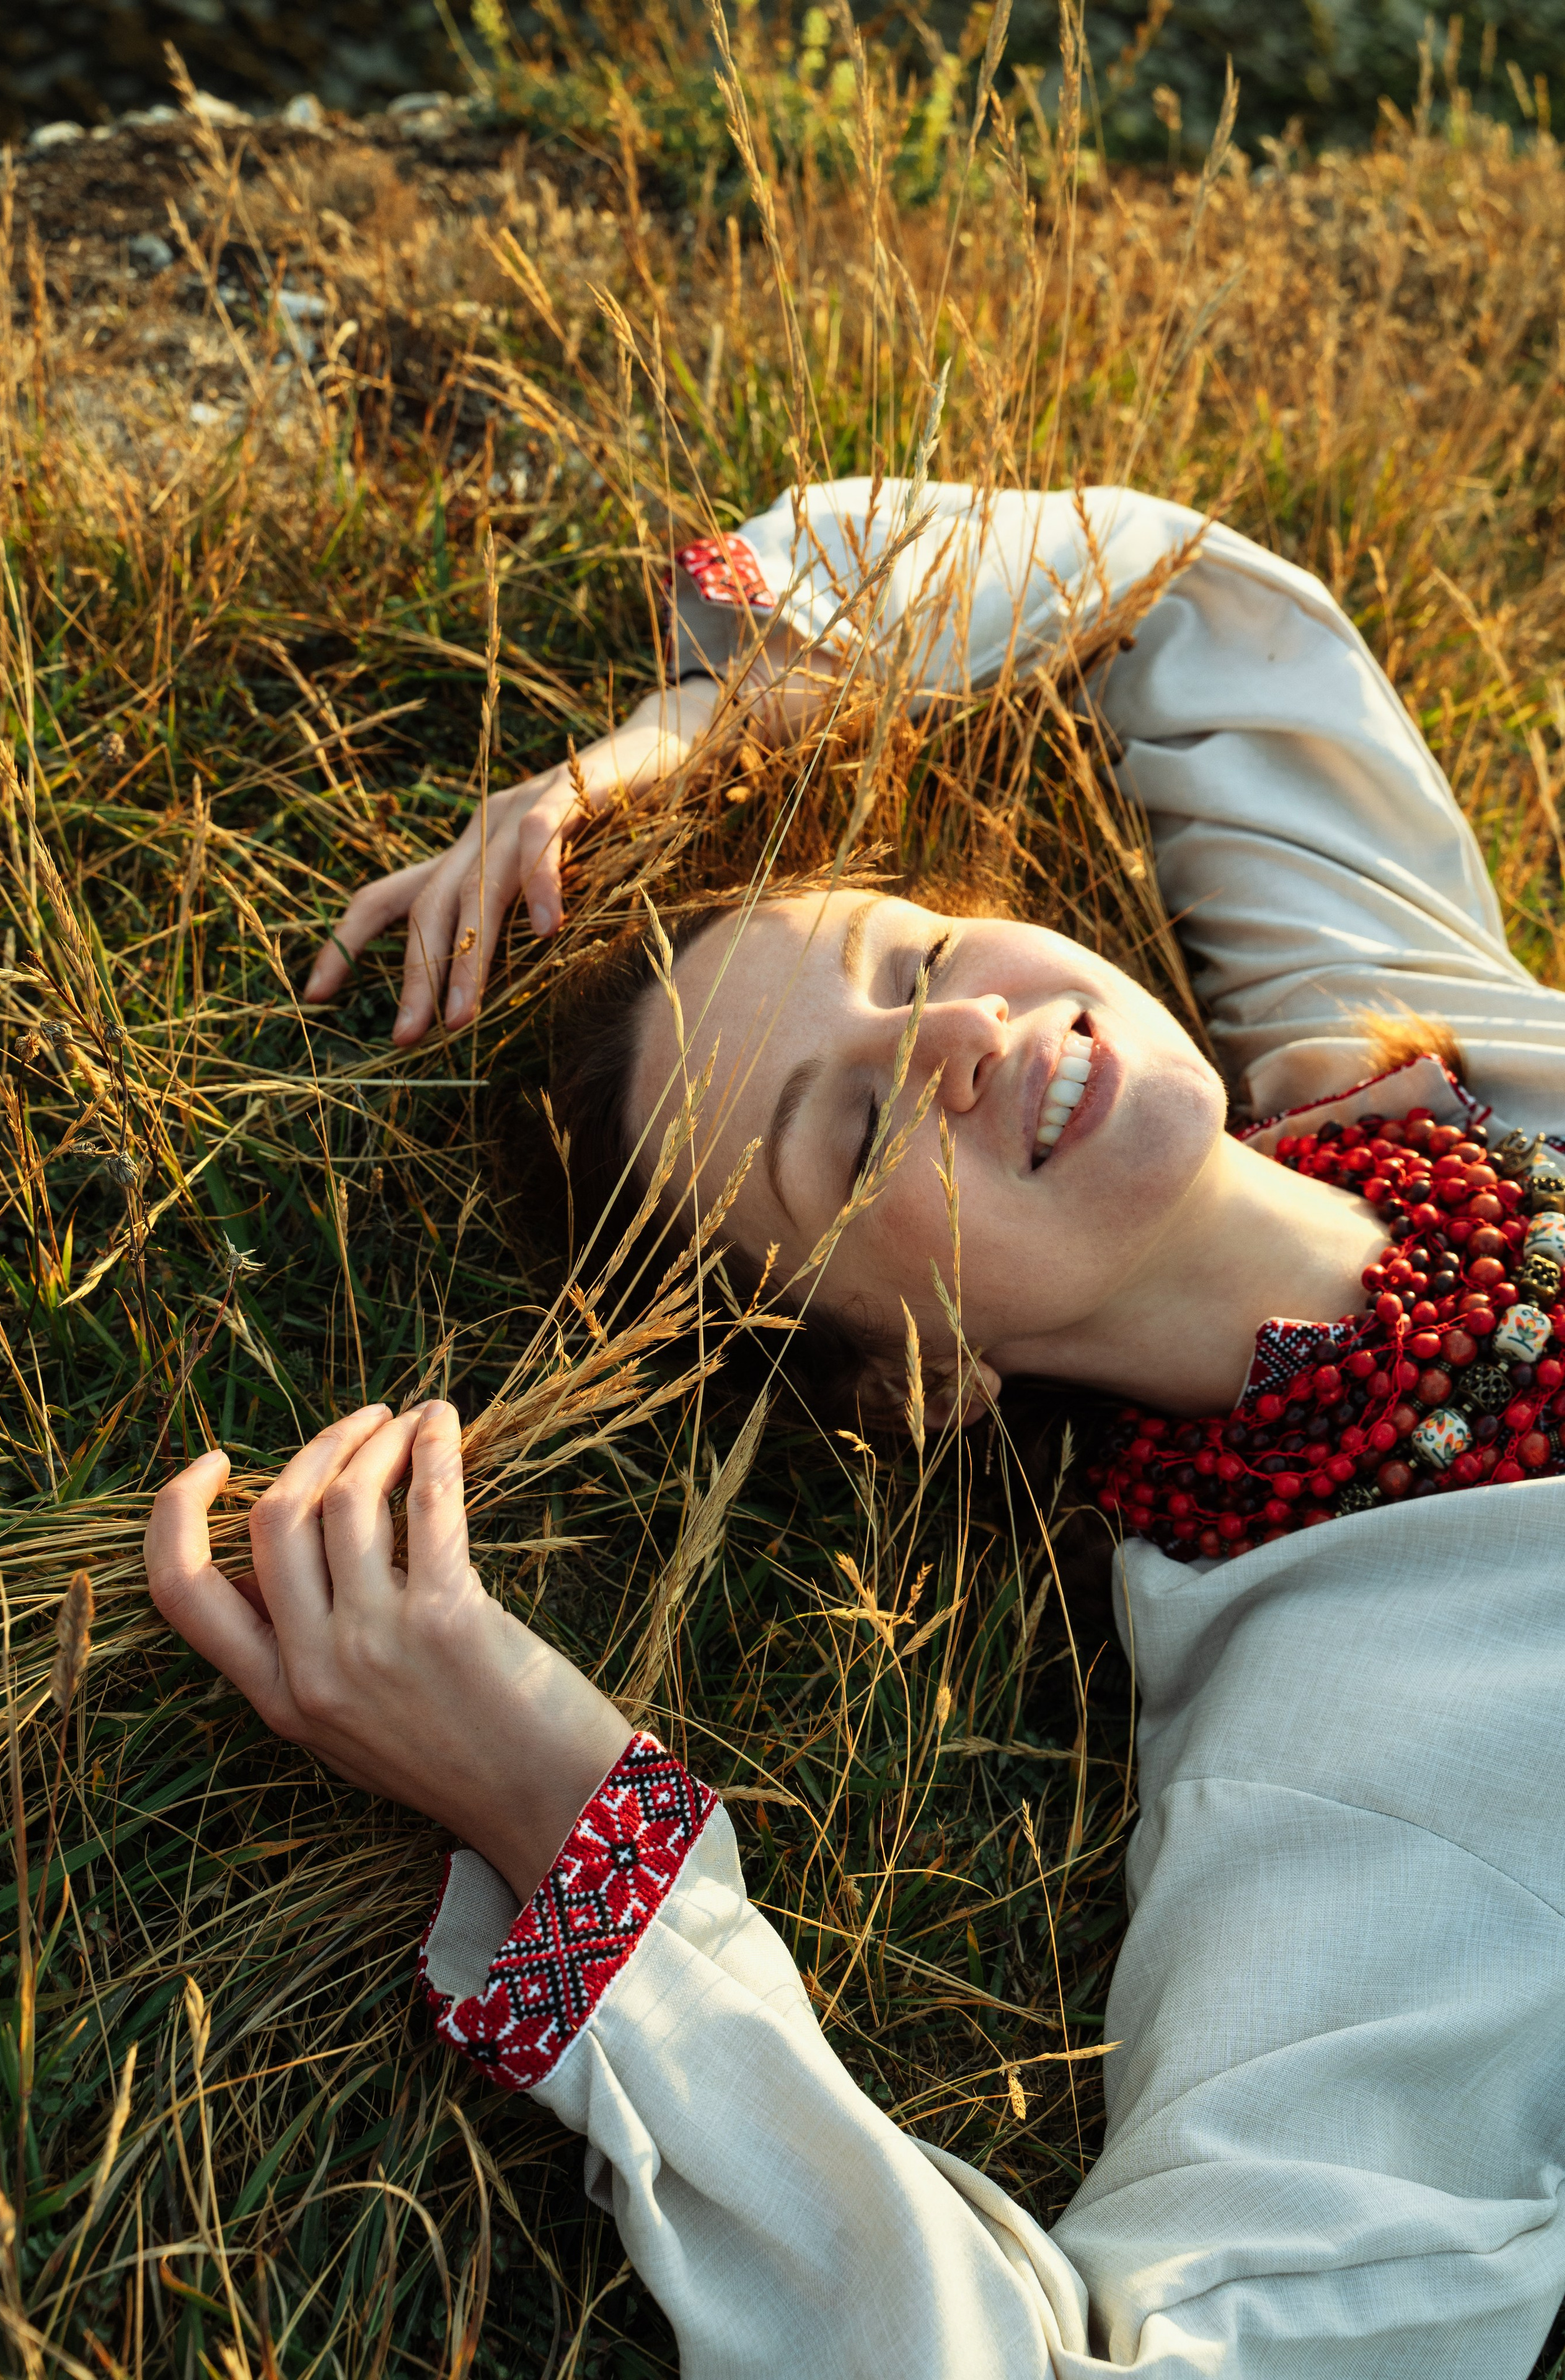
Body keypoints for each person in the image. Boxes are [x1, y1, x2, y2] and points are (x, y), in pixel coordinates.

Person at [147, 483, 1565, 2377]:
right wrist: (579, 1834)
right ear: (914, 1373)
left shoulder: (1398, 1028)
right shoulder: (1342, 1748)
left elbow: (1179, 603)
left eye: (914, 956)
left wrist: (679, 741)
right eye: (854, 1129)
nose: (953, 1042)